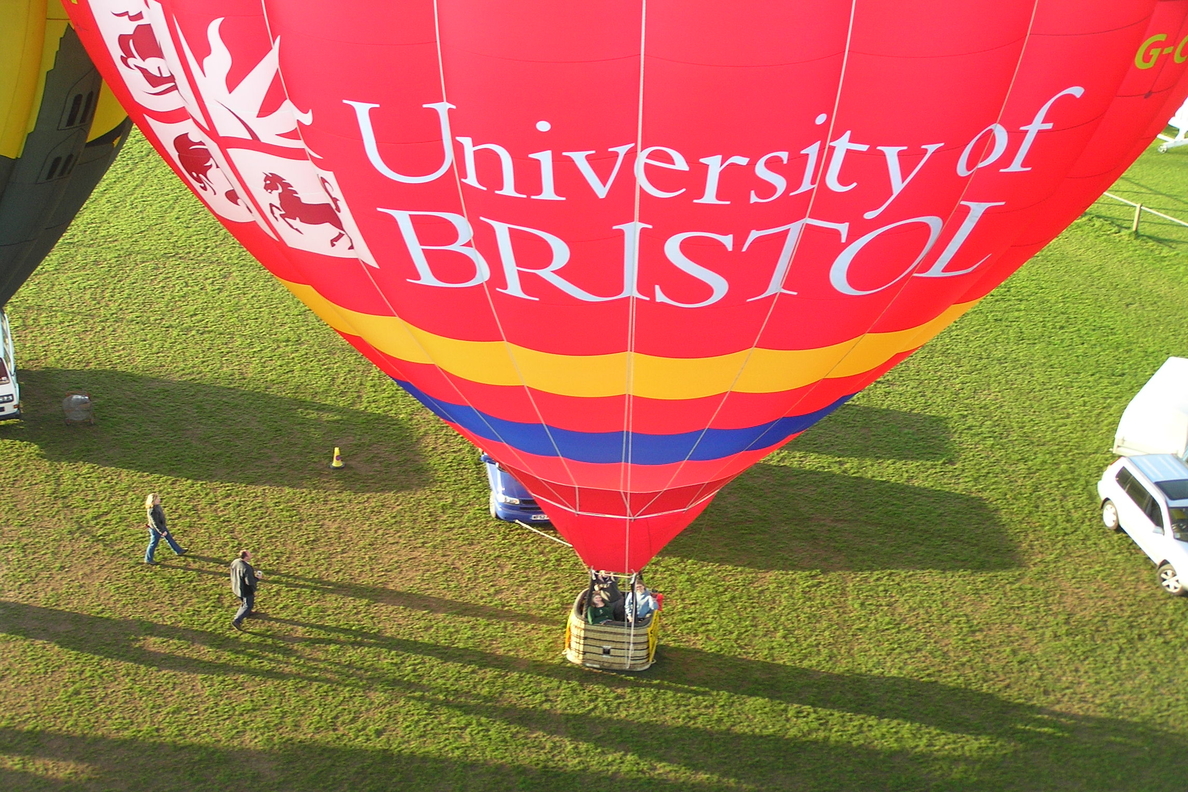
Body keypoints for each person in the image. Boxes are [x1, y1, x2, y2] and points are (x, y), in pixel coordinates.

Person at [143, 493, 186, 564]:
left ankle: (178, 550)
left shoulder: (157, 506)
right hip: (156, 529)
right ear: (153, 500)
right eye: (157, 499)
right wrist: (162, 531)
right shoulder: (152, 510)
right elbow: (155, 523)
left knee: (169, 538)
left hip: (161, 526)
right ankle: (148, 559)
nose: (159, 500)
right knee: (153, 543)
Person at [229, 550, 260, 630]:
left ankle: (247, 613)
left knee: (244, 602)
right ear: (246, 557)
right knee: (248, 605)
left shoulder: (235, 562)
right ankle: (237, 620)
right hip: (245, 590)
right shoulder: (247, 568)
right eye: (249, 554)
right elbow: (249, 582)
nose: (251, 555)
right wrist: (257, 578)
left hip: (236, 587)